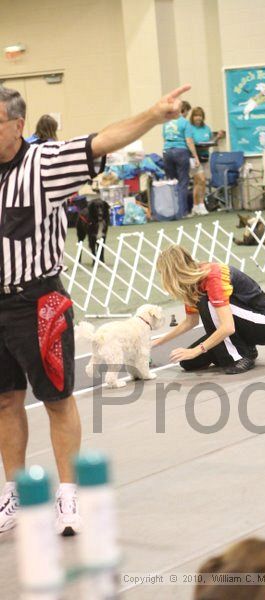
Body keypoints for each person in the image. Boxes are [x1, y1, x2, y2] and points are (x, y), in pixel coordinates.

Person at [0, 82, 191, 535]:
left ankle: (68, 498)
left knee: (57, 400)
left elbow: (101, 141)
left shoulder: (44, 162)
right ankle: (13, 494)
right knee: (5, 401)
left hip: (37, 302)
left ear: (17, 125)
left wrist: (153, 114)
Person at [153, 245, 265, 374]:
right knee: (189, 362)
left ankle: (240, 356)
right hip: (243, 324)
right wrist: (157, 342)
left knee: (207, 302)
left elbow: (228, 327)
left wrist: (196, 350)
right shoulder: (192, 283)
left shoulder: (212, 277)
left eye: (162, 273)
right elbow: (190, 322)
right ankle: (246, 348)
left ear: (171, 272)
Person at [162, 100, 200, 217]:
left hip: (167, 151)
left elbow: (164, 139)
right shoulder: (184, 123)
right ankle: (182, 212)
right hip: (181, 151)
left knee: (171, 181)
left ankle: (171, 211)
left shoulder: (166, 123)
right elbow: (189, 141)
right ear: (183, 110)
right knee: (183, 182)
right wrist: (195, 156)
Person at [189, 106, 224, 216]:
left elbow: (210, 141)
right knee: (201, 180)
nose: (198, 118)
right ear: (192, 117)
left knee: (199, 183)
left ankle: (195, 206)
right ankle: (201, 205)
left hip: (205, 157)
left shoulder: (206, 128)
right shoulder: (189, 128)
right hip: (194, 158)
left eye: (200, 116)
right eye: (196, 116)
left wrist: (217, 137)